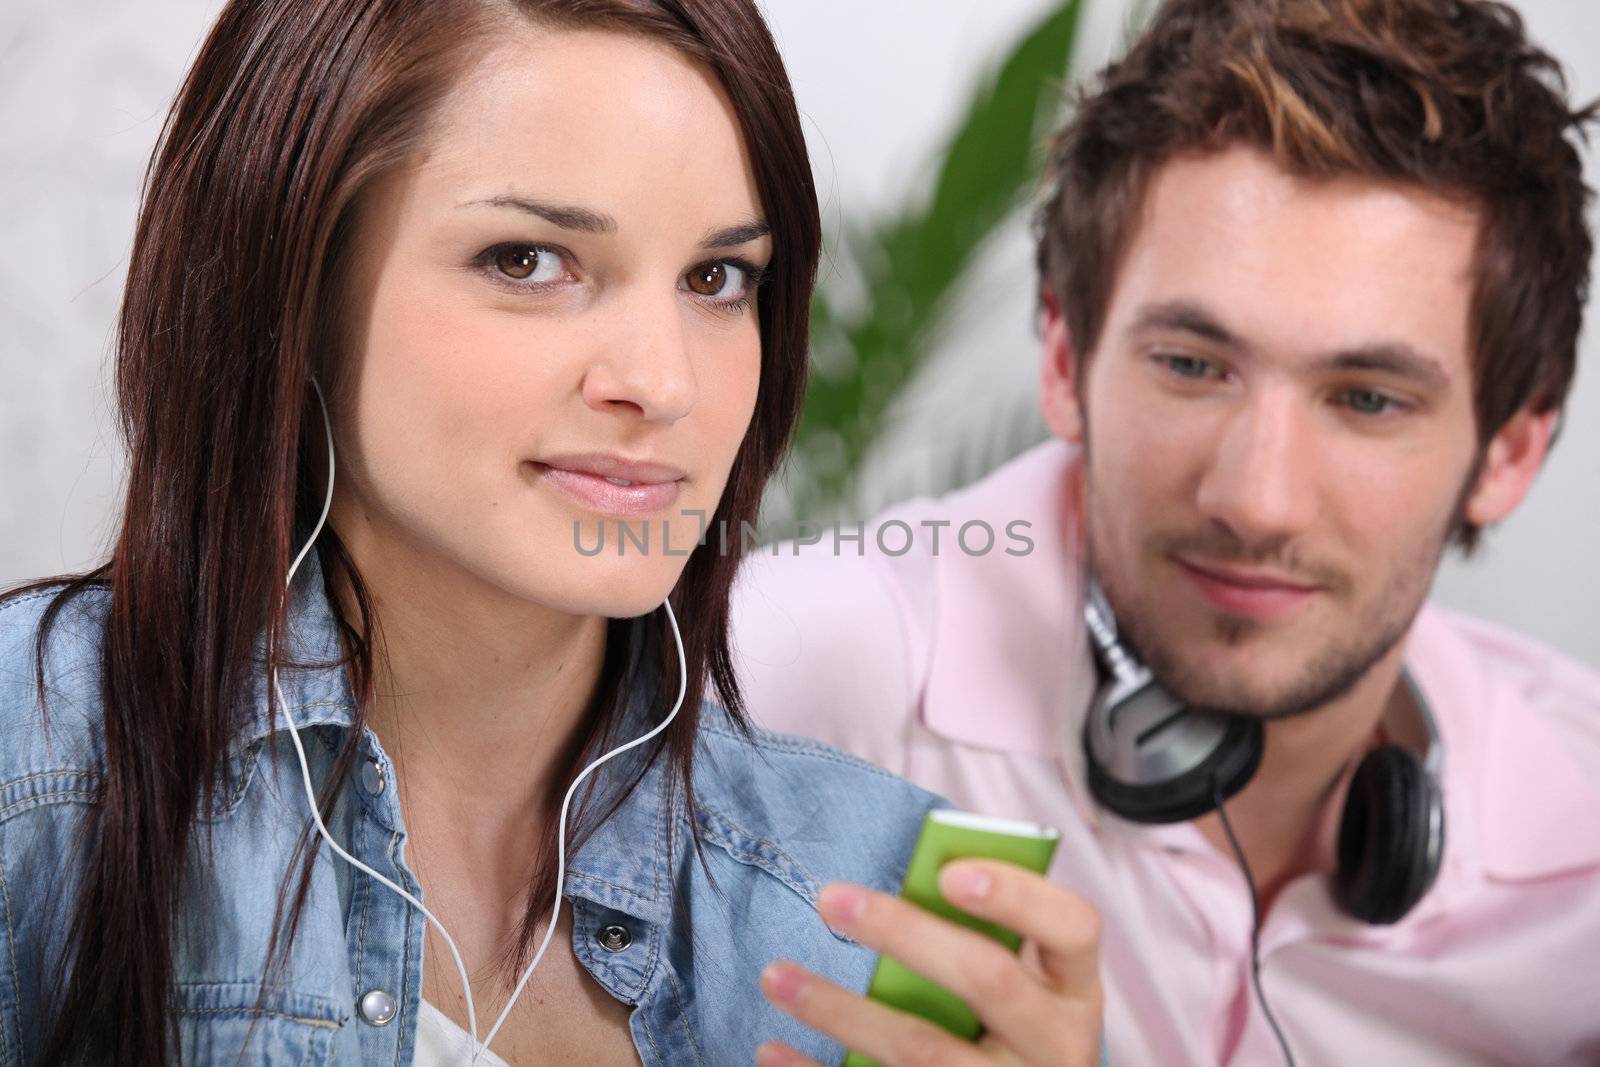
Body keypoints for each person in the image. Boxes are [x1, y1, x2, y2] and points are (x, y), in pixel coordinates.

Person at [0, 2, 1106, 1065]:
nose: (662, 383)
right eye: (528, 261)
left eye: (718, 279)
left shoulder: (880, 909)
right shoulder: (36, 768)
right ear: (290, 286)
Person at [731, 0, 1600, 1064]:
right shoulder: (785, 669)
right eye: (1192, 365)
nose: (1256, 499)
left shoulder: (1582, 849)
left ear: (1508, 451)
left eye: (1367, 398)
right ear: (1062, 362)